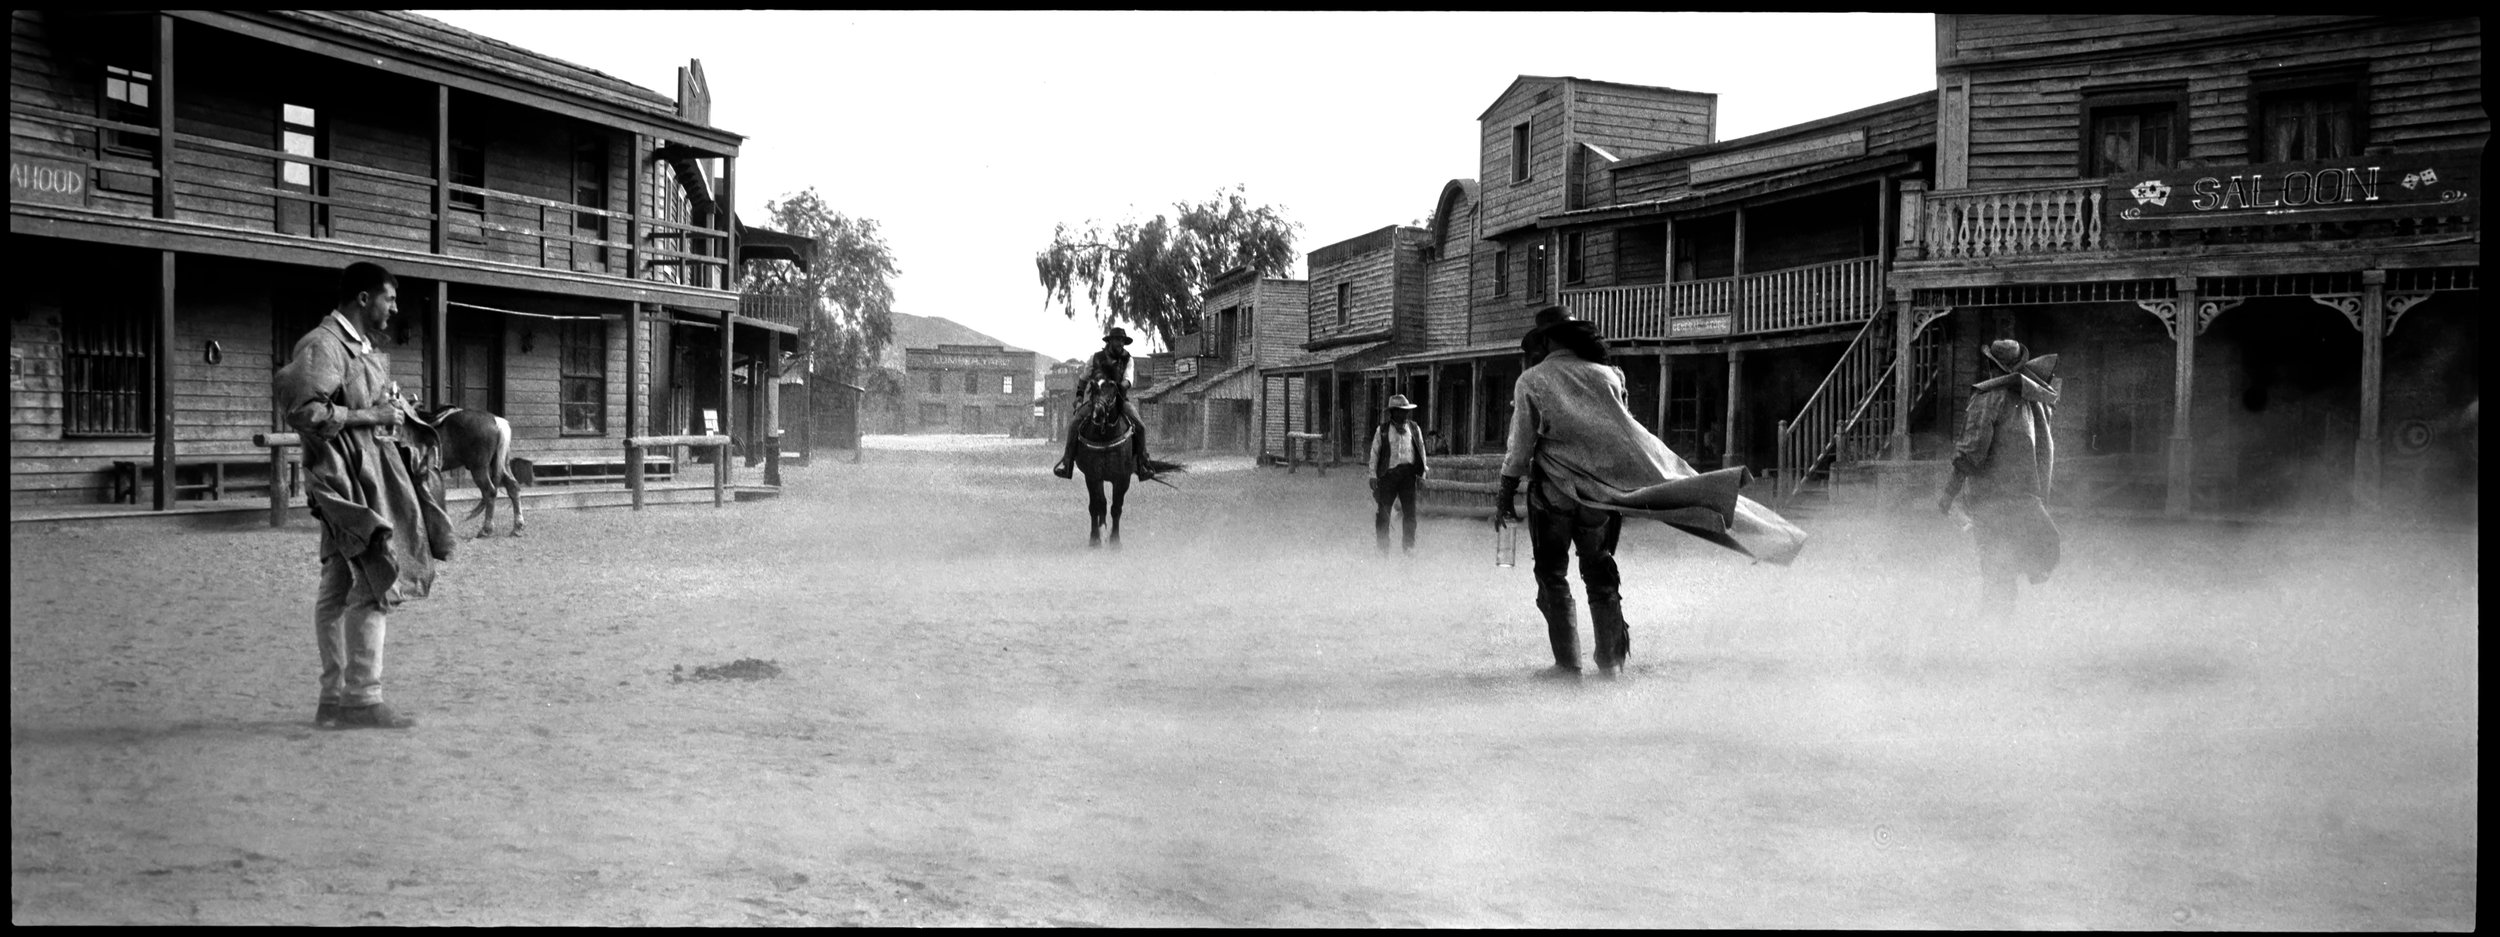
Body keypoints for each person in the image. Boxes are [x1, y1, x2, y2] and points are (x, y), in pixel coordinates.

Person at [1496, 307, 1808, 679]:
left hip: (1555, 495)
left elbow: (1521, 446)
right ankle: (1610, 664)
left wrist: (1506, 489)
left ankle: (1567, 666)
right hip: (1602, 496)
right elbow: (1621, 435)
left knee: (1552, 574)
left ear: (1546, 340)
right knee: (1600, 574)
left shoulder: (1532, 380)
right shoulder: (1610, 375)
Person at [274, 261, 455, 730]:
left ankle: (332, 699)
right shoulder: (322, 344)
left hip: (369, 477)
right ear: (362, 298)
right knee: (376, 575)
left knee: (337, 584)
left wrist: (394, 411)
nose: (394, 308)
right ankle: (362, 699)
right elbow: (304, 411)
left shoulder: (361, 349)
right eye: (389, 298)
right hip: (343, 483)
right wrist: (372, 417)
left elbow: (366, 408)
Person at [1938, 338, 2061, 614]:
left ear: (1991, 366)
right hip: (2025, 501)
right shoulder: (2033, 400)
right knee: (2007, 568)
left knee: (1995, 572)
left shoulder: (1988, 399)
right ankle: (2001, 634)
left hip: (1991, 501)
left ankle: (1992, 637)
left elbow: (1970, 453)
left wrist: (1948, 494)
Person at [1051, 327, 1155, 482]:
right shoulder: (1095, 358)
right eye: (1117, 340)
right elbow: (1083, 378)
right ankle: (1067, 463)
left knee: (1140, 426)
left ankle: (1142, 463)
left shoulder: (1128, 359)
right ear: (1110, 341)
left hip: (1118, 399)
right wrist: (1080, 397)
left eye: (1122, 341)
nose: (1120, 344)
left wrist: (1119, 386)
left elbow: (1128, 380)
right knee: (1074, 424)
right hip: (1096, 400)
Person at [1367, 394, 1428, 553]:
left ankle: (1409, 548)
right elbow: (1374, 453)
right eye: (1401, 411)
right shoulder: (1382, 431)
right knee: (1383, 513)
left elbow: (1421, 451)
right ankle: (1382, 549)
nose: (1404, 414)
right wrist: (1373, 475)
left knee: (1410, 514)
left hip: (1408, 476)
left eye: (1406, 411)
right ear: (1393, 412)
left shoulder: (1414, 429)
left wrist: (1422, 475)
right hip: (1388, 476)